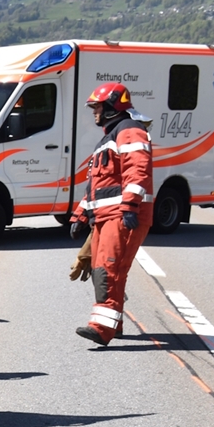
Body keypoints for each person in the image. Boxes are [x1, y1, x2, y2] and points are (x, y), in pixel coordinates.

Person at [68, 83, 153, 345]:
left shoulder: (129, 132)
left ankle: (102, 328)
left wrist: (129, 206)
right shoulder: (111, 137)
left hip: (121, 215)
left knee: (109, 270)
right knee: (102, 270)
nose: (94, 112)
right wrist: (80, 215)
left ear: (112, 106)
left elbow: (138, 171)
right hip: (107, 216)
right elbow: (98, 185)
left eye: (97, 107)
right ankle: (114, 325)